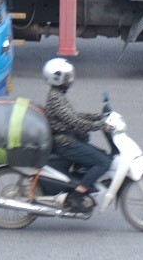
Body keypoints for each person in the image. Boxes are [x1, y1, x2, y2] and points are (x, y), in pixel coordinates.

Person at [42, 57, 111, 212]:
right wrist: (101, 125)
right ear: (57, 78)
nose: (70, 80)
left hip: (68, 139)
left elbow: (74, 115)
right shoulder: (55, 98)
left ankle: (84, 186)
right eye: (67, 77)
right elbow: (75, 122)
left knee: (101, 155)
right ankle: (77, 195)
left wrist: (98, 116)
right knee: (103, 162)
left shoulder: (57, 94)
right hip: (65, 142)